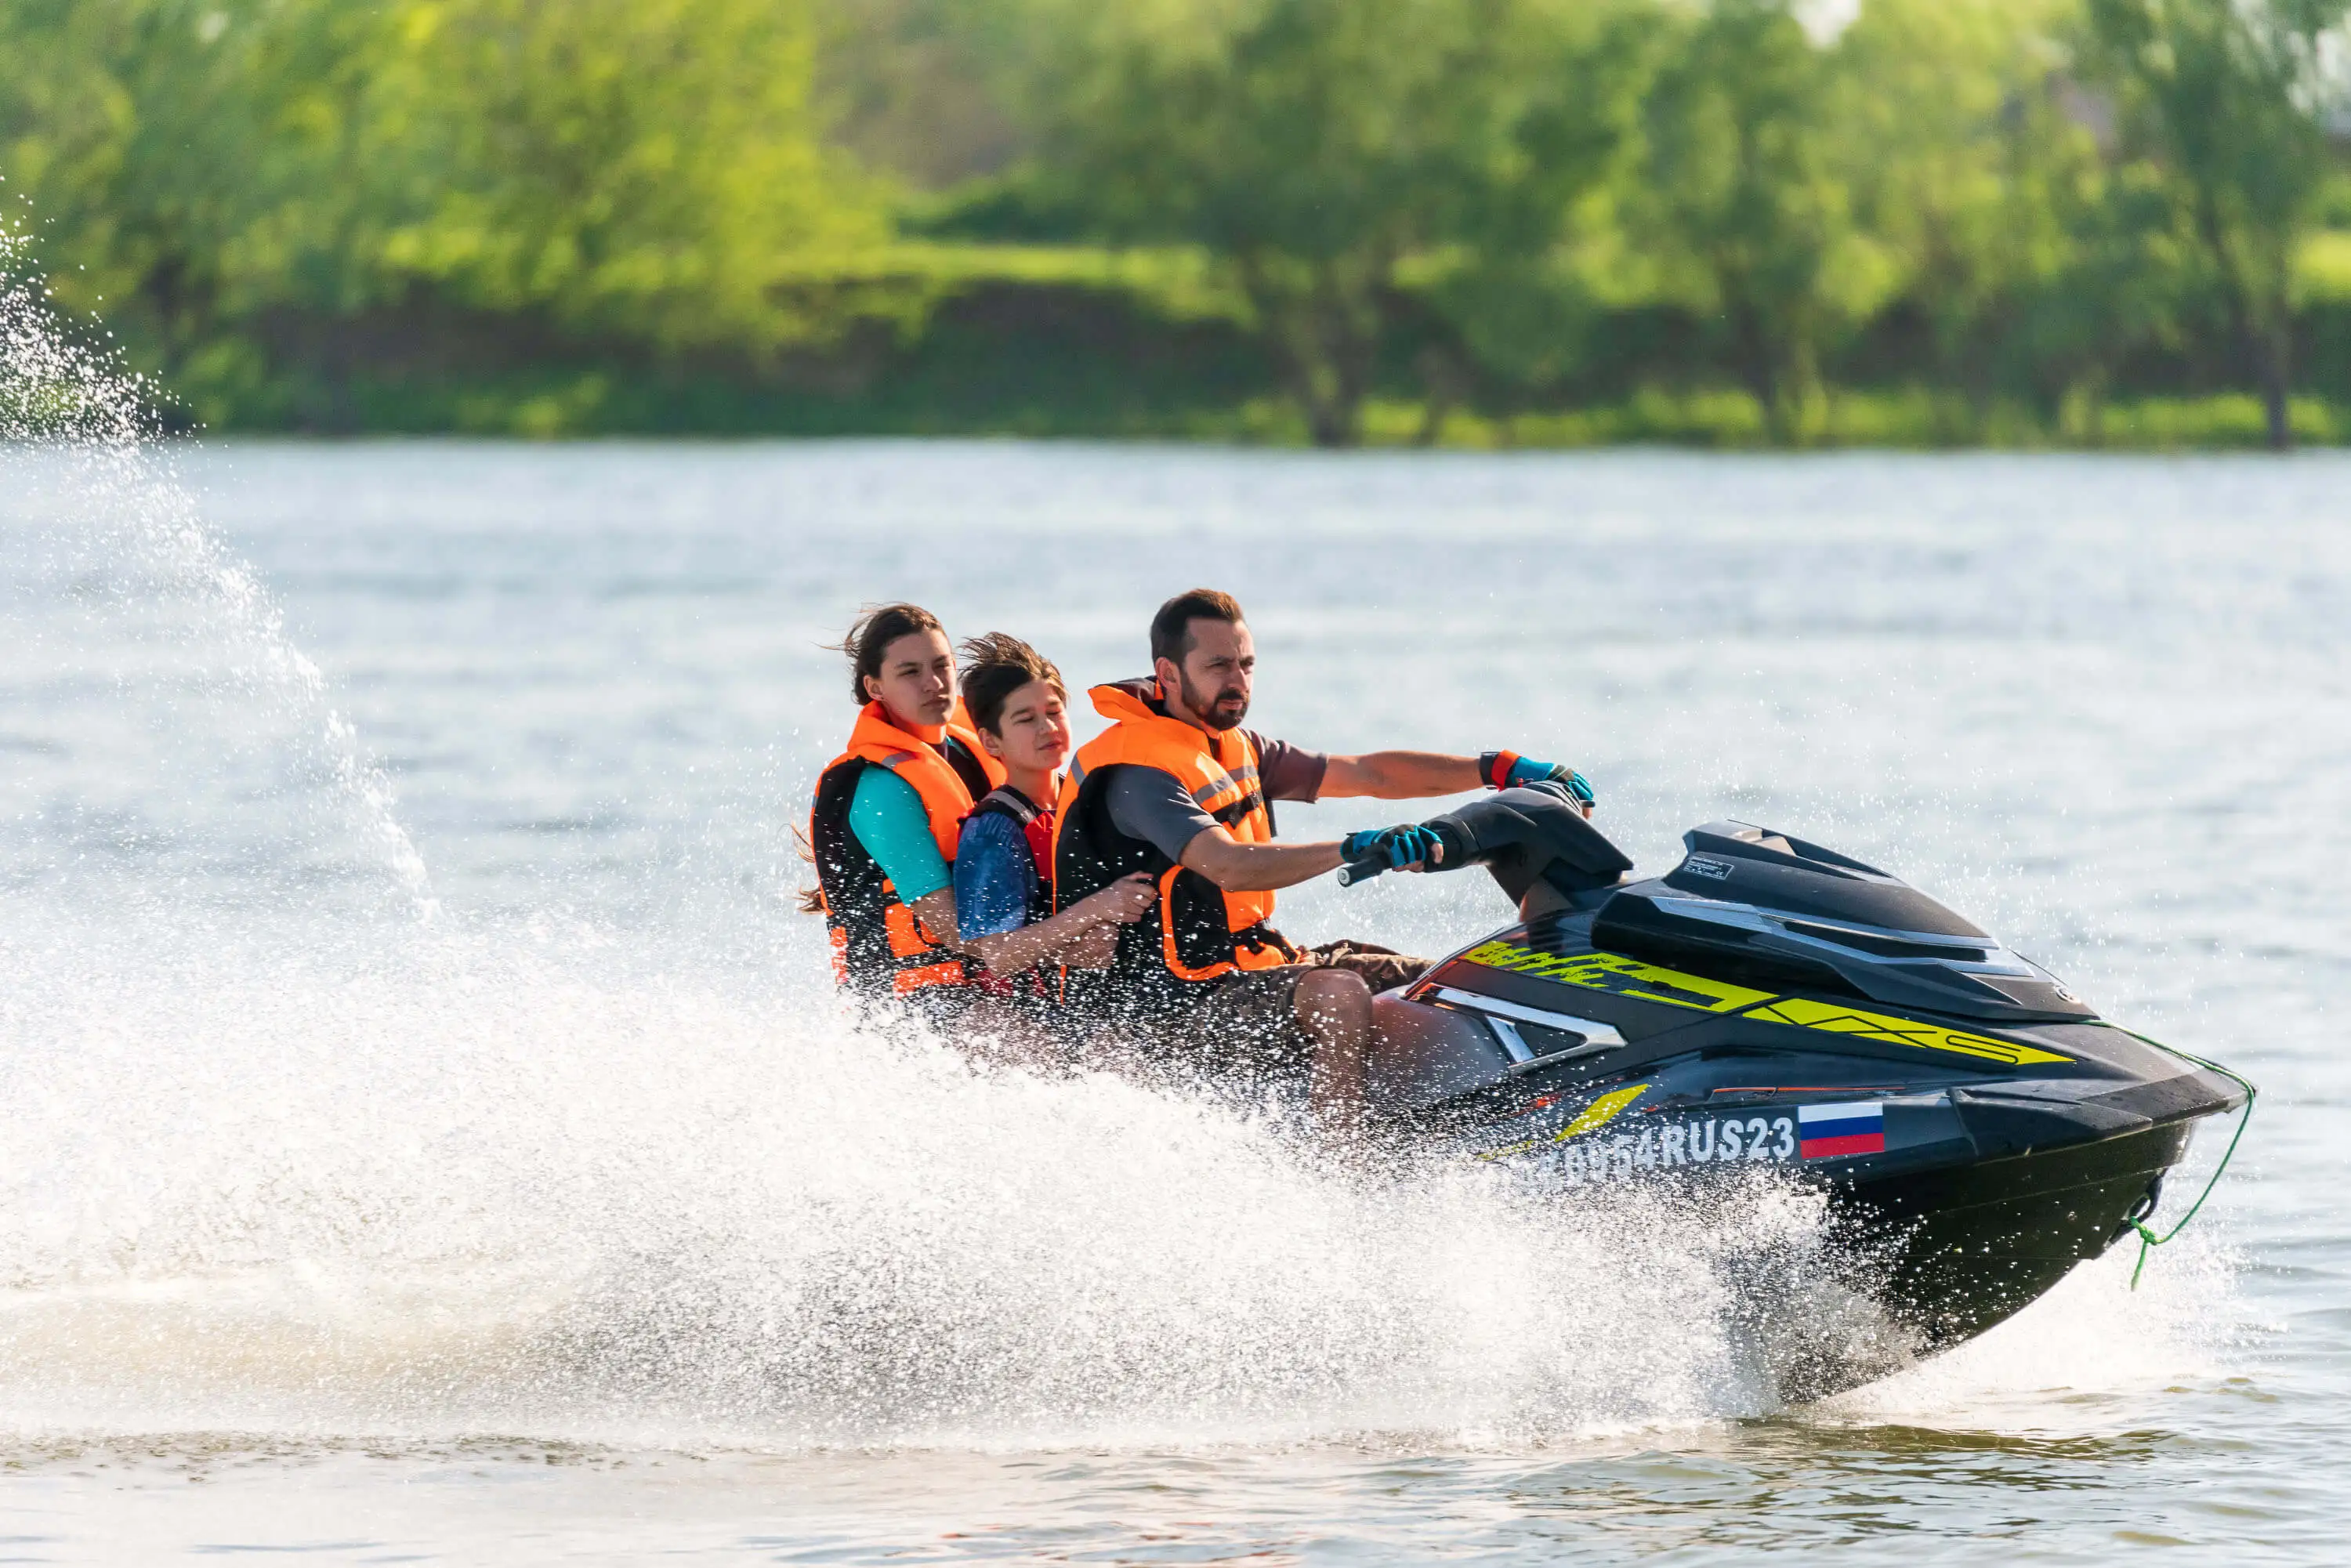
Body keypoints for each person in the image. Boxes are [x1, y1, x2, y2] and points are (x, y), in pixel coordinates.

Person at [1052, 588, 1595, 1137]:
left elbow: (1367, 773)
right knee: (1336, 993)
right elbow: (1230, 865)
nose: (1237, 680)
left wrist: (1498, 768)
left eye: (1246, 664)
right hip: (1158, 1012)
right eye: (1218, 665)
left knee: (1454, 980)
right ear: (1167, 672)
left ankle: (1510, 1127)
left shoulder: (1231, 745)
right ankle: (1340, 1167)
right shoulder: (1138, 775)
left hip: (1247, 970)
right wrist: (1355, 847)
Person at [950, 633, 1155, 1045]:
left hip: (1110, 1003)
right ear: (991, 740)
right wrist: (1099, 908)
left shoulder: (1091, 802)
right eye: (1026, 719)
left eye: (1054, 711)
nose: (1047, 728)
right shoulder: (993, 829)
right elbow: (998, 954)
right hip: (1031, 1019)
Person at [806, 603, 1006, 1018]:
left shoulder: (978, 752)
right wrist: (1068, 936)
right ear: (875, 688)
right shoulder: (881, 788)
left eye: (941, 665)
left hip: (986, 981)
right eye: (910, 672)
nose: (933, 683)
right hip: (906, 1012)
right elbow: (950, 927)